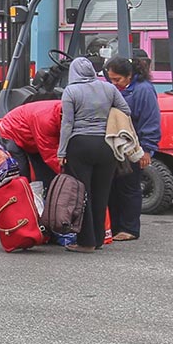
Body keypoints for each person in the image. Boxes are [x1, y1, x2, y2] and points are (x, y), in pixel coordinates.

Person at [56, 56, 128, 253]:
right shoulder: (109, 88)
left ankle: (85, 242)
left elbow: (67, 124)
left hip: (80, 145)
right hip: (107, 145)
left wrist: (61, 151)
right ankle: (97, 239)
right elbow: (125, 110)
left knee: (82, 194)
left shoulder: (71, 91)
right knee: (101, 193)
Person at [105, 56, 160, 242]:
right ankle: (114, 226)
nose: (114, 83)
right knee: (113, 187)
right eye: (111, 79)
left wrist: (146, 149)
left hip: (133, 146)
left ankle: (129, 228)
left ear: (129, 75)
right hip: (116, 146)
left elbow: (150, 120)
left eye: (117, 79)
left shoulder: (143, 90)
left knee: (129, 187)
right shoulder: (118, 89)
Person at [0, 98, 64, 191]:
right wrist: (67, 174)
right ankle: (22, 199)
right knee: (22, 172)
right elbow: (50, 153)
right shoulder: (46, 121)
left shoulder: (67, 109)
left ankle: (44, 197)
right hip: (12, 129)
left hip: (31, 132)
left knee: (45, 172)